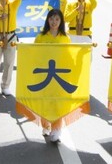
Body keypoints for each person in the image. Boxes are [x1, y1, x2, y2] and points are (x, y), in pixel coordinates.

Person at [34, 9, 71, 142]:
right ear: (47, 20)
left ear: (61, 21)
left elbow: (69, 57)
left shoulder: (65, 38)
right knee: (45, 101)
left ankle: (56, 129)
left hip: (59, 76)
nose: (54, 22)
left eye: (57, 19)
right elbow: (34, 55)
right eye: (51, 19)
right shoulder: (41, 37)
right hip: (45, 75)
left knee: (58, 103)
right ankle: (46, 125)